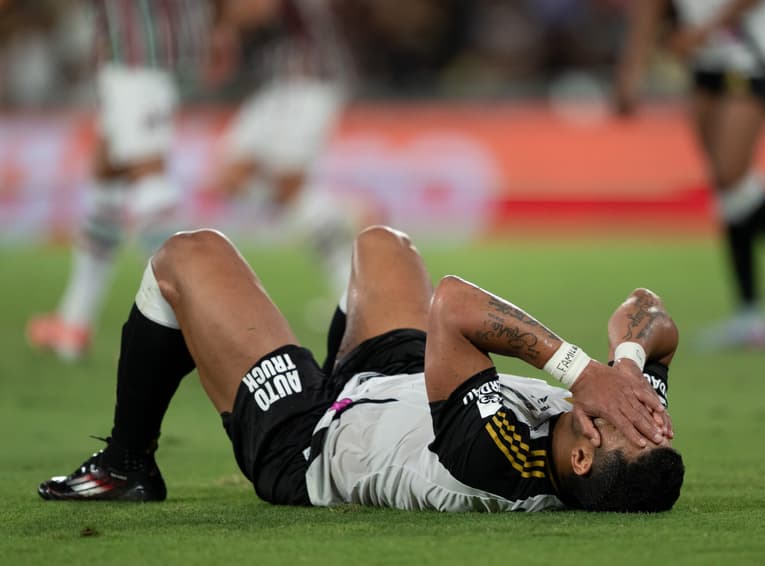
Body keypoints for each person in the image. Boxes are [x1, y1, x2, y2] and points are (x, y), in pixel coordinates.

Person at [38, 225, 683, 512]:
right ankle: (255, 346)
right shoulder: (617, 423)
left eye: (631, 422)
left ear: (579, 458)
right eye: (650, 417)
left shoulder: (497, 459)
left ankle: (126, 465)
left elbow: (454, 304)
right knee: (384, 244)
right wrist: (627, 363)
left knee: (187, 256)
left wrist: (581, 371)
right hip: (403, 386)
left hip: (315, 440)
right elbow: (653, 314)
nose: (641, 413)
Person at [614, 0, 765, 350]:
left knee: (732, 172)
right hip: (708, 60)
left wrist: (700, 32)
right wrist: (632, 72)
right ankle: (750, 311)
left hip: (753, 54)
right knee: (727, 182)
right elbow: (649, 10)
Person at [26, 0, 213, 361]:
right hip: (158, 49)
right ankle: (74, 319)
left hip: (138, 56)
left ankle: (199, 320)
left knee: (146, 174)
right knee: (107, 175)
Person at [211, 0, 361, 298]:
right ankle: (343, 216)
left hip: (308, 84)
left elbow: (256, 9)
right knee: (230, 178)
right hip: (276, 86)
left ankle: (351, 293)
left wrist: (221, 26)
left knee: (288, 188)